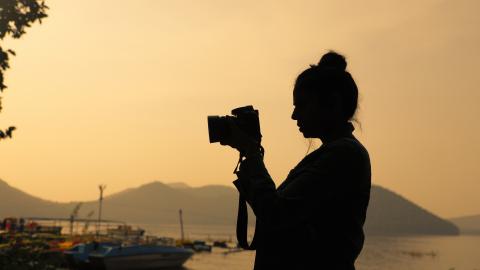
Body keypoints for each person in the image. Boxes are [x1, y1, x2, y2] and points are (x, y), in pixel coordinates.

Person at [221, 51, 371, 270]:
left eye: (301, 105)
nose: (294, 115)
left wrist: (252, 154)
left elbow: (276, 214)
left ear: (332, 103)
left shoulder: (343, 156)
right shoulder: (334, 154)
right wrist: (250, 156)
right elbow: (276, 213)